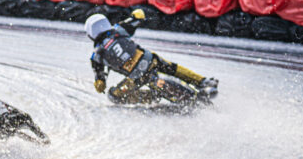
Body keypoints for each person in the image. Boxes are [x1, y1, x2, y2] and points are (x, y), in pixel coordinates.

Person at [85, 10, 218, 105]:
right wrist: (137, 14)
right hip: (149, 59)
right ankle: (203, 81)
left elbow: (100, 83)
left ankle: (150, 98)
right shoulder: (119, 29)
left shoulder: (96, 56)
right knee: (171, 67)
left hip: (135, 77)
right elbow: (138, 17)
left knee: (114, 96)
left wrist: (100, 83)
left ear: (91, 34)